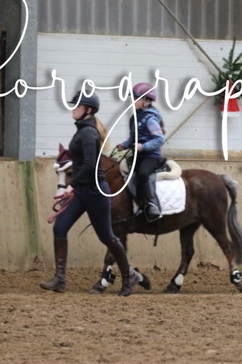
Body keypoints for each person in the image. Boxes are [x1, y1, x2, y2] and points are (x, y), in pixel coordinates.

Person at [40, 90, 139, 297]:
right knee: (60, 227)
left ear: (88, 110)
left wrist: (72, 185)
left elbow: (91, 165)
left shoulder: (88, 133)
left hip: (94, 192)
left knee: (107, 237)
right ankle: (60, 278)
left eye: (77, 105)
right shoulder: (82, 130)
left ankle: (129, 276)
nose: (73, 108)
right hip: (83, 191)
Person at [116, 82, 165, 222]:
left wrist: (143, 147)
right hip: (138, 155)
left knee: (143, 173)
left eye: (136, 99)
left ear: (147, 101)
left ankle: (153, 205)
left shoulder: (150, 119)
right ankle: (135, 204)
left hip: (151, 156)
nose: (133, 101)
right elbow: (133, 138)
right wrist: (124, 145)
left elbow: (159, 139)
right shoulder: (134, 118)